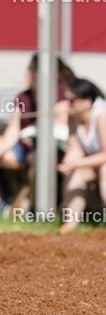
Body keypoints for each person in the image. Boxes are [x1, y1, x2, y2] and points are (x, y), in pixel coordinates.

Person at [0, 54, 73, 217]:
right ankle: (0, 207)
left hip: (52, 150)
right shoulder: (23, 96)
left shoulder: (61, 93)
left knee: (39, 159)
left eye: (31, 69)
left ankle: (35, 209)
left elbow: (60, 126)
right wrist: (1, 150)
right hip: (24, 147)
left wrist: (31, 132)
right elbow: (13, 129)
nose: (27, 73)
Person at [59, 78, 106, 233]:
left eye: (71, 100)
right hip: (95, 163)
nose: (67, 104)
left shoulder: (102, 116)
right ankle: (70, 226)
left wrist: (76, 163)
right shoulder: (73, 118)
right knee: (77, 176)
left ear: (87, 101)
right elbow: (75, 148)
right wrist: (68, 162)